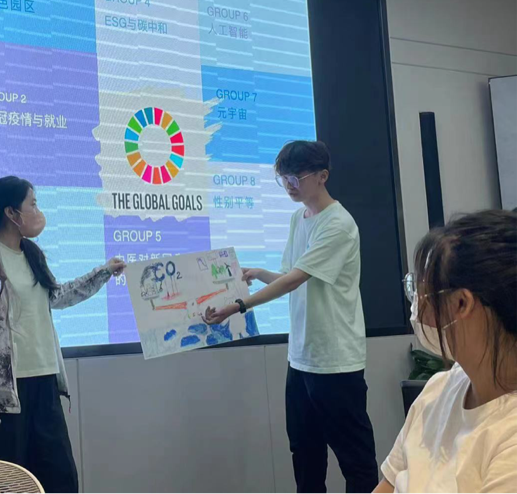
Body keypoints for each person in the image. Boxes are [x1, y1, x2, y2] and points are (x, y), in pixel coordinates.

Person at [205, 140, 377, 494]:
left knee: (355, 460)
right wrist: (258, 273)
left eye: (296, 177)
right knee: (304, 452)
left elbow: (296, 279)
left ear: (322, 176)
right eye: (283, 178)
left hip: (335, 360)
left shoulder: (338, 224)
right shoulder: (299, 219)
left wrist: (239, 305)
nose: (288, 185)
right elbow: (288, 275)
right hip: (300, 358)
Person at [0, 176, 125, 494]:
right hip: (2, 395)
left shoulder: (31, 254)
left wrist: (103, 272)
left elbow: (57, 296)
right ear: (11, 213)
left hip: (45, 382)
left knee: (61, 479)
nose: (37, 210)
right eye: (32, 203)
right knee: (11, 483)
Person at [375, 209, 517, 494]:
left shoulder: (508, 437)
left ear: (462, 303)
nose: (417, 309)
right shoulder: (439, 389)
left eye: (424, 294)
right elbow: (387, 486)